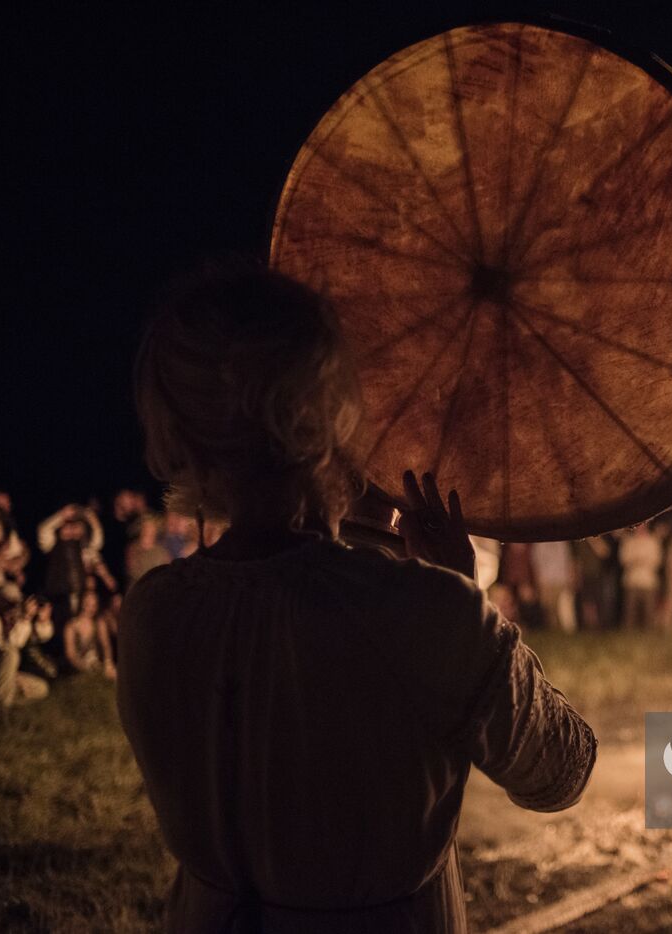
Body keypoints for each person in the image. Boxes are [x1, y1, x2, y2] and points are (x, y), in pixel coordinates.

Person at [118, 263, 595, 933]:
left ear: (179, 433)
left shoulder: (154, 613)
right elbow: (560, 770)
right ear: (332, 420)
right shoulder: (424, 610)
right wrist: (465, 599)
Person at [618, 523, 662, 630]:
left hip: (648, 582)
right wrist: (636, 560)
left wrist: (641, 560)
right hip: (632, 581)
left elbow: (657, 560)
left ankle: (648, 634)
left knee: (648, 611)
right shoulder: (628, 541)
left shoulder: (652, 541)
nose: (640, 528)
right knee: (630, 611)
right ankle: (628, 634)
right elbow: (624, 559)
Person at [64, 590, 115, 678]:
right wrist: (84, 667)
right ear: (82, 603)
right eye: (88, 604)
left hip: (98, 665)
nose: (91, 608)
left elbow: (106, 645)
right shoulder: (71, 626)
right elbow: (71, 654)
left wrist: (108, 663)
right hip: (78, 669)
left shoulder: (99, 622)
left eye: (94, 605)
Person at [530, 540, 577, 632]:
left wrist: (571, 577)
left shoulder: (563, 542)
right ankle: (552, 629)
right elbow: (536, 562)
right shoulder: (539, 544)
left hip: (561, 579)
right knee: (549, 608)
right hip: (546, 580)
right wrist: (539, 580)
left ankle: (566, 630)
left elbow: (568, 559)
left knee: (563, 608)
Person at [125, 514, 172, 589]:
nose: (149, 531)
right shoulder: (133, 548)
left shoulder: (161, 551)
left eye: (152, 528)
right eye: (146, 528)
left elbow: (167, 573)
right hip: (136, 591)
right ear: (141, 529)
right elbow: (134, 571)